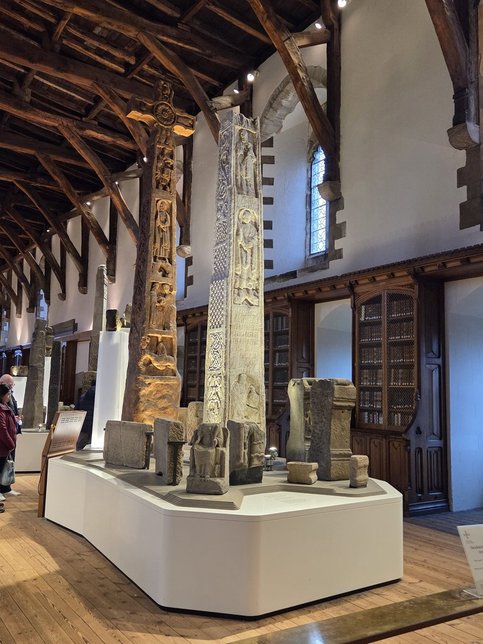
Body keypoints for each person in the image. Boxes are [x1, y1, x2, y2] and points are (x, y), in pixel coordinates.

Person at [0, 383, 19, 503]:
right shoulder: (1, 409)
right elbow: (2, 429)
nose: (9, 396)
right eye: (8, 394)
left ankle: (5, 488)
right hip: (2, 445)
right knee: (0, 467)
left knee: (5, 467)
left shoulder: (5, 406)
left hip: (6, 445)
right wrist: (10, 443)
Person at [75, 381, 96, 450]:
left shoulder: (83, 396)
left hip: (83, 424)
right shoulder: (100, 396)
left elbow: (76, 409)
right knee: (91, 447)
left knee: (80, 445)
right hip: (94, 425)